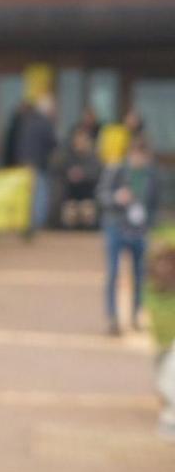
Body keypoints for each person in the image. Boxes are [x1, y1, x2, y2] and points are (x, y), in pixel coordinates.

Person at [97, 137, 160, 335]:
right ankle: (113, 318)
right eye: (135, 154)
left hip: (139, 230)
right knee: (114, 272)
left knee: (139, 274)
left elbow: (154, 206)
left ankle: (136, 314)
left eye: (142, 155)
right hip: (117, 226)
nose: (138, 159)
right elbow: (101, 195)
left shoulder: (151, 175)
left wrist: (150, 226)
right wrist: (117, 197)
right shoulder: (116, 171)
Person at [13, 96, 59, 232]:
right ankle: (36, 225)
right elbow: (53, 143)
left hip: (25, 164)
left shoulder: (28, 121)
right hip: (38, 164)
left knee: (27, 195)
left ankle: (25, 223)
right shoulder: (45, 123)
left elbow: (20, 143)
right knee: (40, 195)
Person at [53, 129, 102, 229]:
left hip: (88, 196)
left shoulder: (93, 157)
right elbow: (58, 171)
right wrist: (69, 174)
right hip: (69, 197)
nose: (81, 143)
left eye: (83, 140)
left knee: (88, 212)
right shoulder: (67, 156)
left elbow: (97, 173)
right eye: (78, 140)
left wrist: (83, 174)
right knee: (70, 213)